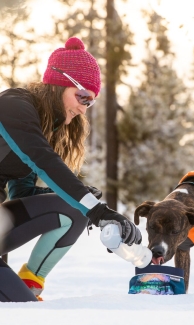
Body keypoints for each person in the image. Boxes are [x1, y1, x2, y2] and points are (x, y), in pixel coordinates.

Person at [0, 37, 141, 300]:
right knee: (21, 308)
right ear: (58, 83)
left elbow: (22, 193)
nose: (84, 108)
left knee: (74, 210)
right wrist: (98, 210)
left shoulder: (42, 126)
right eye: (82, 96)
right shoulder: (12, 106)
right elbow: (42, 161)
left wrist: (79, 198)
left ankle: (30, 282)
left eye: (90, 101)